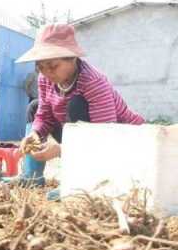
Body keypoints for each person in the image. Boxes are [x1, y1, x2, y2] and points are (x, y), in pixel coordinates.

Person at [12, 24, 144, 188]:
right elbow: (44, 113)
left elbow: (104, 136)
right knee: (35, 107)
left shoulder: (92, 82)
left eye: (53, 66)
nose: (47, 73)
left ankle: (82, 184)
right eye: (40, 67)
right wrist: (35, 133)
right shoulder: (45, 78)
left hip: (119, 139)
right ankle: (31, 178)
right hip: (78, 134)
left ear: (72, 58)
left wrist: (60, 149)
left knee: (76, 105)